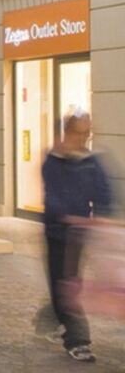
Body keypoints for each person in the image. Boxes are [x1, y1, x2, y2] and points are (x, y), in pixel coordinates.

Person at [41, 112, 113, 363]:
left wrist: (101, 216)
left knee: (69, 284)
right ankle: (72, 332)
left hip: (79, 233)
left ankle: (68, 329)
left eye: (86, 133)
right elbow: (53, 194)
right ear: (68, 132)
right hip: (58, 231)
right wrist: (65, 216)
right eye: (78, 133)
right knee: (64, 284)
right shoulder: (54, 160)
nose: (83, 138)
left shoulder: (91, 161)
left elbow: (103, 191)